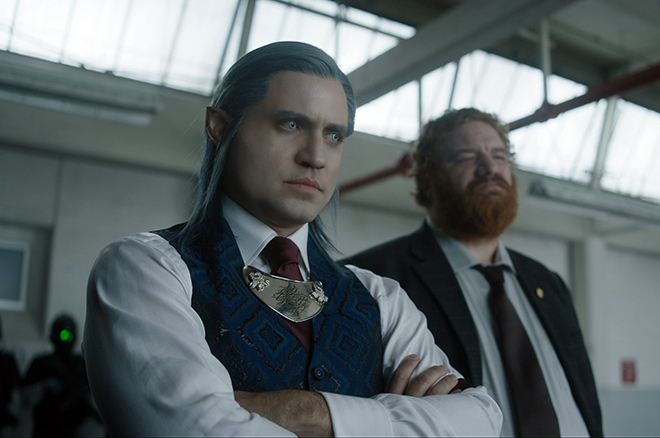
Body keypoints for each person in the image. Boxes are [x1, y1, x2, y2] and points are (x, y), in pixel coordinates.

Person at [83, 43, 502, 437]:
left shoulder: (380, 298)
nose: (315, 157)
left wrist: (305, 412)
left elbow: (483, 420)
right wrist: (391, 418)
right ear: (220, 127)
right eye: (291, 124)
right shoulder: (146, 269)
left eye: (334, 135)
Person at [346, 108, 602, 437]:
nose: (490, 168)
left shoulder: (549, 283)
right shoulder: (371, 281)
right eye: (467, 156)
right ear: (430, 180)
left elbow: (584, 395)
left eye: (499, 155)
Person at [23, 314, 99, 436]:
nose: (66, 340)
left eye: (69, 335)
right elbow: (25, 396)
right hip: (45, 426)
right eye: (63, 334)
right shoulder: (42, 363)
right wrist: (45, 386)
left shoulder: (81, 364)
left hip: (71, 427)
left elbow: (91, 396)